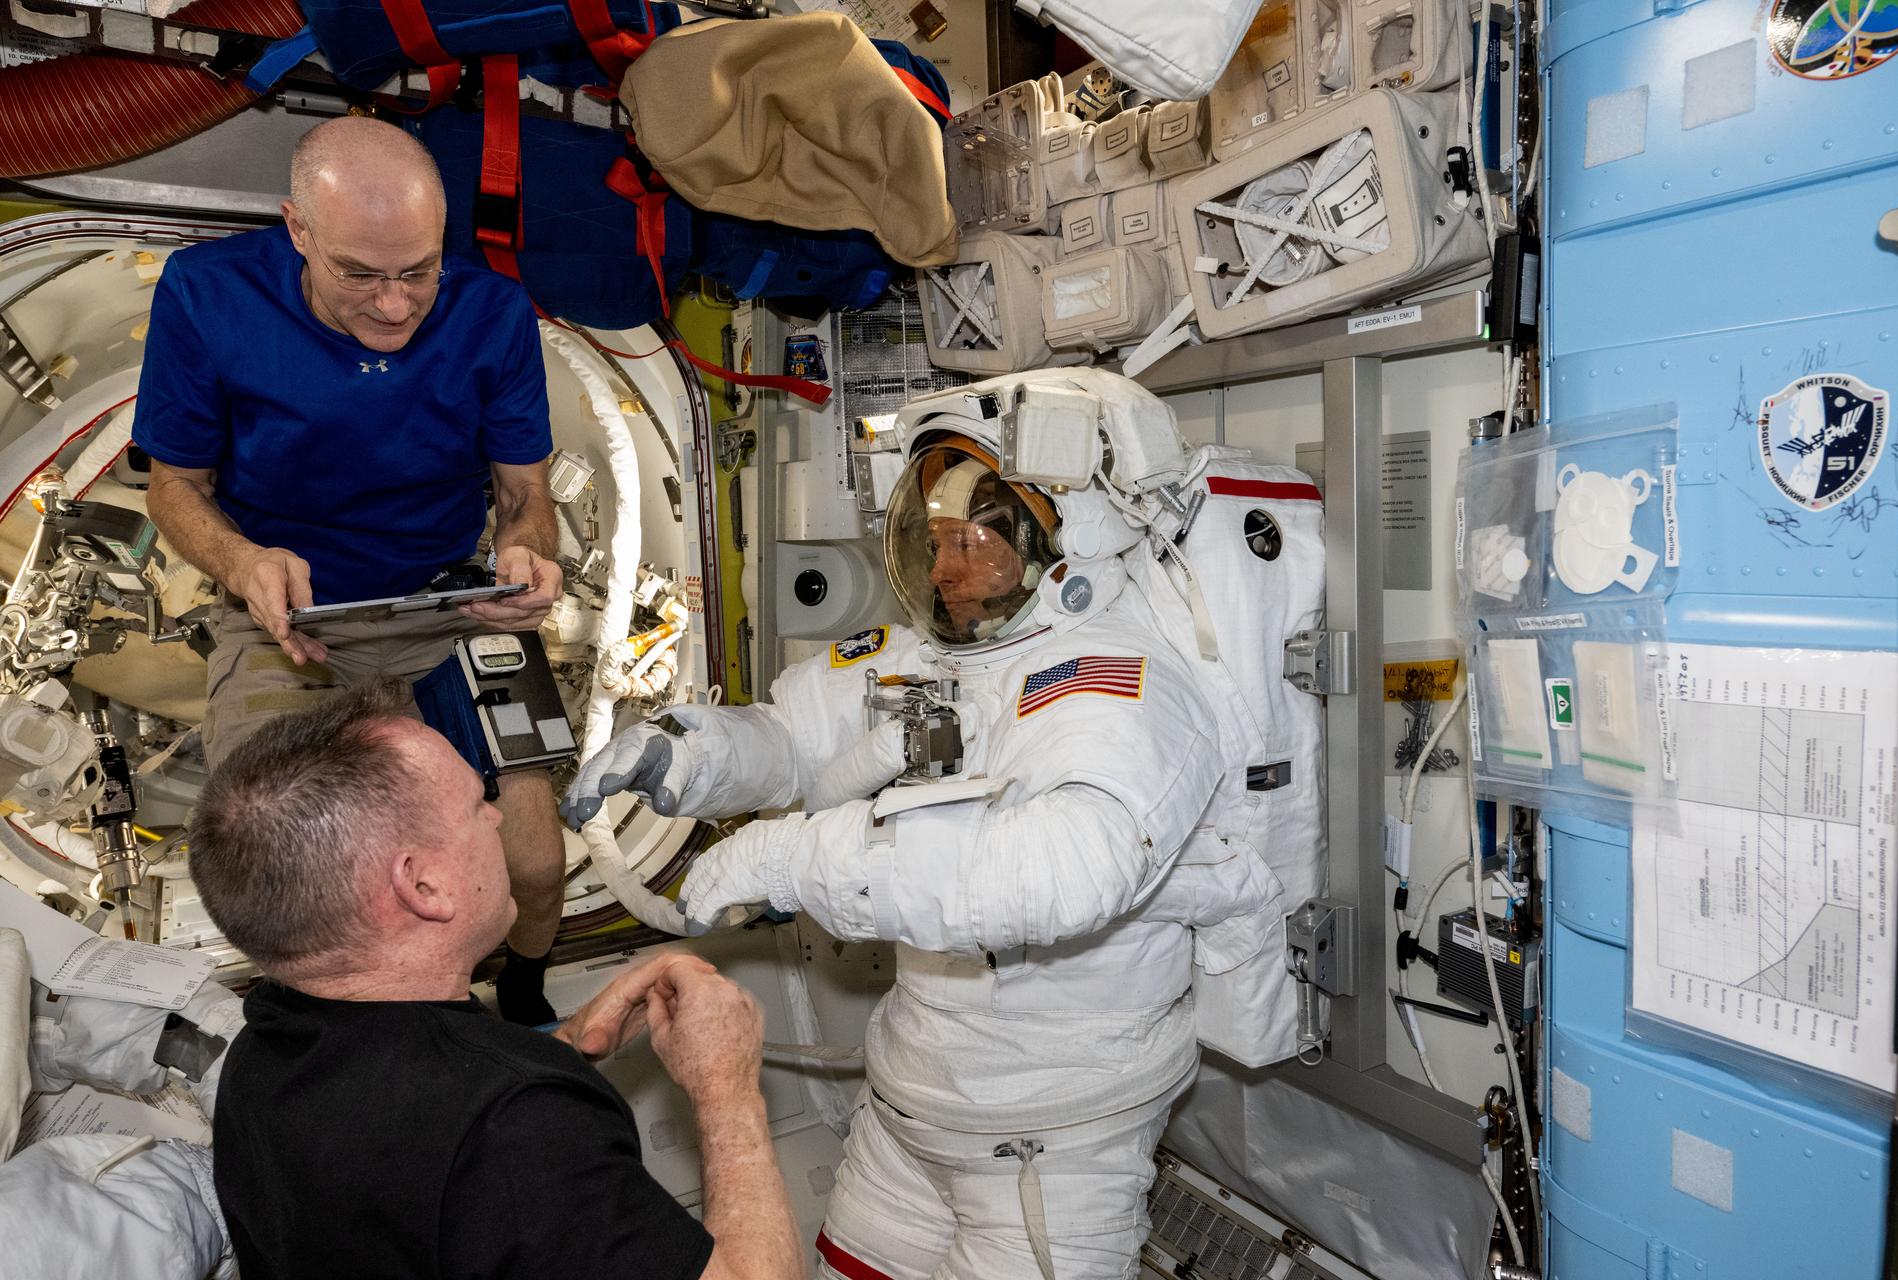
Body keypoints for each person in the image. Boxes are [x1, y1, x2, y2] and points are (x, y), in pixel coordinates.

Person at [565, 370, 1310, 1280]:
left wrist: (796, 860)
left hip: (1047, 1139)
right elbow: (795, 739)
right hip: (911, 1109)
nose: (948, 572)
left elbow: (1065, 868)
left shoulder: (1119, 681)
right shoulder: (928, 655)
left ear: (1067, 540)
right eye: (936, 541)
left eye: (979, 543)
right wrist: (683, 757)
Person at [135, 115, 567, 1023]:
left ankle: (524, 993)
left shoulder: (492, 314)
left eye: (417, 271)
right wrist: (244, 561)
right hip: (291, 618)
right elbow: (173, 486)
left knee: (531, 861)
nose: (396, 306)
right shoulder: (206, 296)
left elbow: (525, 490)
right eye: (359, 275)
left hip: (450, 604)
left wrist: (528, 555)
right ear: (298, 229)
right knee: (283, 867)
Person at [186, 682, 803, 1280]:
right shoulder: (514, 1134)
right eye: (477, 803)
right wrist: (726, 1085)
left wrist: (567, 1046)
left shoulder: (262, 1054)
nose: (499, 817)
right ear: (423, 887)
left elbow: (418, 1147)